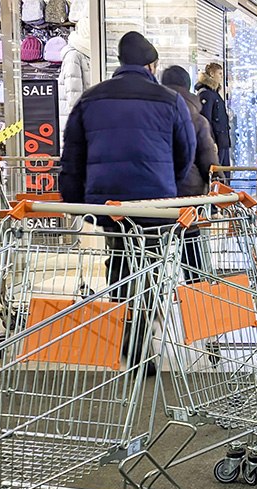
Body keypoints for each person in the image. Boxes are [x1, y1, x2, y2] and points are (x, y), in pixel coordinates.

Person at [60, 31, 195, 370]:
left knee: (120, 262)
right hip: (155, 202)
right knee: (150, 265)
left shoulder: (91, 99)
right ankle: (140, 333)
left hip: (110, 203)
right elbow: (186, 151)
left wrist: (78, 202)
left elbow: (72, 155)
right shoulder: (169, 100)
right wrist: (170, 186)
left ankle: (127, 331)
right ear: (151, 65)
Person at [161, 65, 219, 282]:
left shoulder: (152, 115)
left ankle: (156, 292)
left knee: (154, 249)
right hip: (189, 196)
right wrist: (217, 186)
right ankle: (195, 288)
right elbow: (208, 161)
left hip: (157, 197)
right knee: (191, 247)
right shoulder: (197, 119)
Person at [195, 62, 230, 167]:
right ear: (212, 74)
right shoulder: (206, 94)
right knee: (217, 170)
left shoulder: (214, 93)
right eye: (219, 73)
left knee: (224, 170)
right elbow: (205, 119)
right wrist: (211, 140)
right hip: (216, 140)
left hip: (222, 139)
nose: (221, 77)